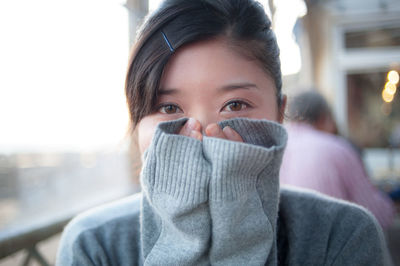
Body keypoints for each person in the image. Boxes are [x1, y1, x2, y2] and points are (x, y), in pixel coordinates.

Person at [56, 1, 392, 265]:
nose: (204, 136)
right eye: (170, 109)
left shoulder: (342, 234)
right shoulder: (94, 244)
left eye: (235, 105)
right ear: (137, 125)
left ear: (279, 113)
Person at [280, 91, 395, 230]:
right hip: (330, 245)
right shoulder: (337, 148)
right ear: (324, 118)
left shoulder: (274, 146)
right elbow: (378, 215)